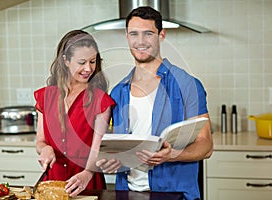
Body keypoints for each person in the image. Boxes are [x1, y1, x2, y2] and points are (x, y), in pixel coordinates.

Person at [96, 6, 213, 200]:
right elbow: (119, 146)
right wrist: (111, 161)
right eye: (134, 34)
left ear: (161, 35)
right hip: (128, 193)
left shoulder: (187, 85)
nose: (140, 41)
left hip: (175, 195)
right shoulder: (118, 92)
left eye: (148, 33)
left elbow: (206, 146)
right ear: (127, 37)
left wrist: (171, 154)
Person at [34, 30, 115, 197]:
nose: (88, 68)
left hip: (87, 184)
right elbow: (40, 141)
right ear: (65, 60)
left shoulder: (101, 100)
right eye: (82, 62)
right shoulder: (45, 97)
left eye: (93, 62)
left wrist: (87, 173)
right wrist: (45, 149)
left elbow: (97, 149)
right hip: (52, 185)